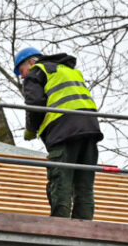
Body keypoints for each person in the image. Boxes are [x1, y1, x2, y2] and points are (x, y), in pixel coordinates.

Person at [14, 46, 104, 220]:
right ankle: (84, 226)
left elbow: (35, 104)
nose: (23, 76)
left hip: (64, 130)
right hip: (90, 128)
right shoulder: (69, 70)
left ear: (31, 62)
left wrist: (31, 129)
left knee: (60, 180)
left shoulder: (37, 71)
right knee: (84, 185)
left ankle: (59, 225)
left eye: (21, 71)